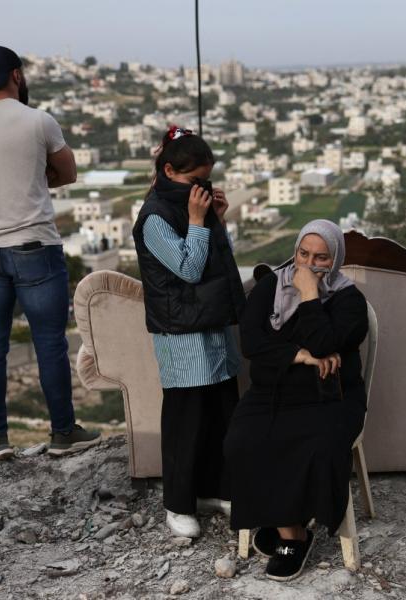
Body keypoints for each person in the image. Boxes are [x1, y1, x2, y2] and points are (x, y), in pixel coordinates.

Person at [0, 44, 100, 461]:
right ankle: (63, 432)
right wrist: (34, 175)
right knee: (49, 343)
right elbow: (68, 172)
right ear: (17, 75)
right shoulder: (38, 120)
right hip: (34, 245)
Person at [224, 219, 369, 581]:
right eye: (303, 254)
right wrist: (301, 355)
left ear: (335, 260)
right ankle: (290, 527)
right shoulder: (270, 286)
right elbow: (252, 343)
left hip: (330, 399)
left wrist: (308, 294)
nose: (309, 264)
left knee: (314, 443)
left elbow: (323, 342)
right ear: (295, 251)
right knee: (243, 439)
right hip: (272, 393)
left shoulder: (349, 300)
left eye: (321, 258)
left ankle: (291, 535)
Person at [132, 126, 246, 539]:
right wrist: (199, 220)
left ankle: (218, 490)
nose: (201, 188)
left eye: (206, 180)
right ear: (169, 171)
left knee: (222, 415)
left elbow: (220, 260)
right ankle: (178, 504)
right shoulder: (154, 218)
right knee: (186, 422)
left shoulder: (193, 207)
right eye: (194, 180)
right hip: (181, 335)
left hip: (212, 325)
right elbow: (189, 269)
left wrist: (216, 220)